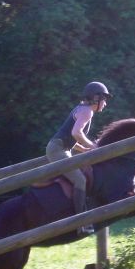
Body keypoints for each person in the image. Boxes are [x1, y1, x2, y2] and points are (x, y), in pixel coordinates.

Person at [46, 81, 112, 236]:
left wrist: (84, 148)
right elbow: (76, 133)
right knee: (80, 180)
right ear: (96, 98)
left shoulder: (81, 108)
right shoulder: (87, 111)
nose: (105, 103)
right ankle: (81, 223)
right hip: (58, 150)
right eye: (104, 99)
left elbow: (72, 138)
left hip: (60, 148)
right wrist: (93, 146)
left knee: (81, 177)